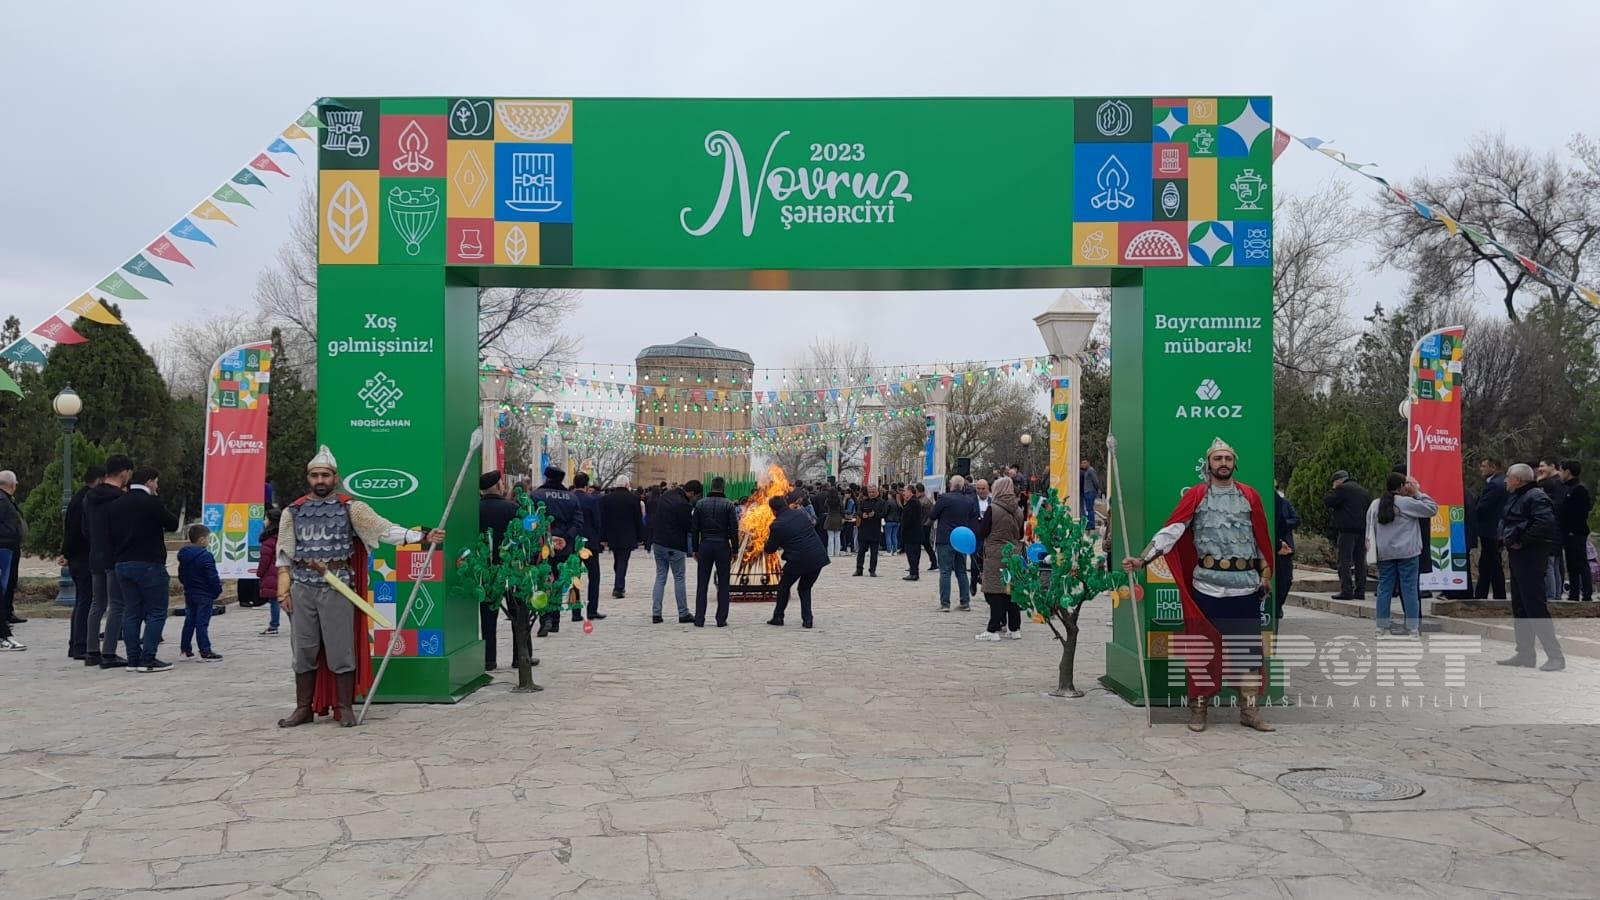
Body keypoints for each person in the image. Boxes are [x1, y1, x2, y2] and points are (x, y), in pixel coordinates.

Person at [276, 446, 444, 727]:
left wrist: (421, 536)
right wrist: (283, 591)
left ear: (335, 477)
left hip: (337, 586)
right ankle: (303, 708)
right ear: (308, 478)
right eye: (315, 475)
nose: (320, 480)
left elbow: (384, 529)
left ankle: (344, 707)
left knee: (340, 648)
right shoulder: (293, 511)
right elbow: (284, 554)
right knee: (303, 649)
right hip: (303, 587)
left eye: (325, 475)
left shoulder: (351, 507)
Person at [1123, 438, 1275, 733]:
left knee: (1247, 651)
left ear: (1234, 463)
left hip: (1245, 587)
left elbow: (1260, 538)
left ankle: (1249, 712)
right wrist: (1143, 559)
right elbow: (1172, 530)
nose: (1223, 463)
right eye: (1218, 458)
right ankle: (1199, 710)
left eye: (1228, 459)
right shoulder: (1196, 495)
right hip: (1207, 587)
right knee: (1202, 650)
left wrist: (1265, 576)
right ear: (1209, 464)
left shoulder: (1250, 496)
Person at [107, 467, 180, 673]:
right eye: (156, 482)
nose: (157, 486)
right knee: (156, 611)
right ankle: (148, 658)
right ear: (149, 482)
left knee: (131, 612)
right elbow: (173, 524)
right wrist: (157, 499)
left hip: (123, 563)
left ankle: (133, 659)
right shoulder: (152, 502)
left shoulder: (116, 504)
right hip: (149, 563)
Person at [1497, 463, 1565, 670]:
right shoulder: (1517, 496)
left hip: (1531, 557)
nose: (1505, 480)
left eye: (1508, 476)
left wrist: (1522, 541)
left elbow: (1545, 524)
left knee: (1535, 606)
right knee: (1520, 605)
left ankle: (1555, 656)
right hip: (1518, 556)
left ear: (1518, 480)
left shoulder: (1536, 497)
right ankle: (1525, 653)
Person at [1365, 473, 1438, 636]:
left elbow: (1369, 529)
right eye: (1406, 484)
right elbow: (1432, 508)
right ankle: (1413, 627)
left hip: (1384, 553)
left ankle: (1380, 626)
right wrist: (1417, 492)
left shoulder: (1375, 504)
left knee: (1384, 588)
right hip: (1408, 553)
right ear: (1400, 487)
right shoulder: (1406, 503)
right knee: (1409, 590)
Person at [84, 455, 132, 667]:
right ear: (124, 472)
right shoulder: (121, 499)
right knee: (117, 605)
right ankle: (109, 653)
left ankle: (91, 651)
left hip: (95, 554)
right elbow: (124, 529)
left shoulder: (89, 497)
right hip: (115, 556)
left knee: (97, 604)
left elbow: (85, 528)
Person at [528, 466, 584, 635]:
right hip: (563, 547)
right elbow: (578, 522)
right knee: (558, 581)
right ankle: (555, 620)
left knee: (543, 580)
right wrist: (566, 538)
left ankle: (545, 618)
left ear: (547, 478)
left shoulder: (536, 495)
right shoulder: (571, 497)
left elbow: (530, 520)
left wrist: (546, 537)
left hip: (542, 546)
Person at [765, 492, 829, 628]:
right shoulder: (800, 514)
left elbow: (770, 549)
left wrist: (767, 540)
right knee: (804, 588)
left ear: (773, 510)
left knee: (783, 586)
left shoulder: (777, 525)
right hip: (817, 557)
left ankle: (778, 617)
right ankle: (807, 620)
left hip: (798, 560)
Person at [976, 476, 1025, 641]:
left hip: (996, 554)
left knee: (995, 592)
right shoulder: (1018, 510)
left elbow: (983, 532)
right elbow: (1021, 533)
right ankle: (1015, 628)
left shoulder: (993, 509)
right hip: (1014, 554)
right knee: (1012, 592)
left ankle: (993, 629)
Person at [63, 465, 104, 660]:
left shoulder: (78, 498)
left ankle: (76, 644)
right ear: (100, 480)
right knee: (86, 601)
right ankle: (80, 645)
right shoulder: (88, 500)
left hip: (76, 557)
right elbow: (83, 531)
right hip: (84, 557)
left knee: (82, 600)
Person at [478, 471, 517, 671]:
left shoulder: (474, 510)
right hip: (512, 569)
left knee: (487, 615)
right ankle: (521, 657)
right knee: (518, 614)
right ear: (500, 486)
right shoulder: (513, 508)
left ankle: (489, 659)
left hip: (486, 570)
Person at [691, 476, 737, 627]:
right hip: (722, 545)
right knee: (723, 584)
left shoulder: (700, 504)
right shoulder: (729, 505)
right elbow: (734, 529)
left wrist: (695, 549)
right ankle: (721, 619)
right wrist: (735, 549)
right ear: (723, 487)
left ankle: (699, 618)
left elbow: (694, 529)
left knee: (702, 583)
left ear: (711, 487)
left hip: (705, 545)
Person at [928, 475, 979, 611]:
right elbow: (973, 517)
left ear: (951, 485)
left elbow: (932, 515)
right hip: (962, 539)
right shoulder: (969, 501)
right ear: (963, 486)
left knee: (945, 571)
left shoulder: (944, 498)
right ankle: (965, 601)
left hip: (946, 538)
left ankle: (945, 603)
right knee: (961, 571)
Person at [650, 479, 697, 624]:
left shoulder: (666, 495)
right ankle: (683, 613)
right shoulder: (684, 504)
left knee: (660, 577)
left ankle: (656, 613)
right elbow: (688, 526)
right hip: (675, 545)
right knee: (679, 578)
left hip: (658, 542)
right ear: (692, 493)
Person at [177, 524, 223, 661]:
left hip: (190, 592)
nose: (209, 541)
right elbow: (212, 576)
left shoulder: (184, 555)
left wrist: (187, 585)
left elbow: (181, 575)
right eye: (208, 538)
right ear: (202, 539)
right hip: (205, 594)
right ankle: (205, 650)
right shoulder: (206, 556)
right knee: (202, 623)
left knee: (189, 621)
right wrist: (217, 590)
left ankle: (185, 650)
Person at [1324, 470, 1371, 601]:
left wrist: (1334, 489)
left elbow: (1328, 501)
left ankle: (1346, 590)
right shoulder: (1363, 490)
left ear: (1338, 481)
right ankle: (1360, 591)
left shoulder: (1342, 489)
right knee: (1360, 561)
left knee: (1344, 561)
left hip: (1346, 531)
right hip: (1362, 530)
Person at [571, 472, 606, 622]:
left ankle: (575, 611)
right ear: (586, 485)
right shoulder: (592, 500)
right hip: (590, 543)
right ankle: (592, 610)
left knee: (574, 576)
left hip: (573, 542)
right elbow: (597, 522)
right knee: (594, 576)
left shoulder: (570, 498)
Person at [601, 479, 644, 598]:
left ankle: (619, 583)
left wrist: (603, 537)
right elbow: (638, 519)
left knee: (618, 560)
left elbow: (603, 519)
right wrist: (640, 536)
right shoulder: (633, 498)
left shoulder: (607, 499)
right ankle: (619, 587)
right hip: (628, 534)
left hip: (612, 535)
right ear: (626, 485)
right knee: (623, 561)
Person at [1473, 458, 1508, 600]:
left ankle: (1493, 595)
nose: (1481, 469)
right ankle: (1485, 593)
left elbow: (1483, 507)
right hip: (1496, 529)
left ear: (1493, 467)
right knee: (1489, 563)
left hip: (1490, 530)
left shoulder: (1494, 485)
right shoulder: (1502, 482)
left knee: (1491, 563)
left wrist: (1474, 515)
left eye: (1483, 466)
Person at [1559, 460, 1593, 602]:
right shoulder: (1566, 488)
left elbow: (1581, 512)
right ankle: (1573, 593)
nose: (1560, 474)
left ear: (1568, 472)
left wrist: (1572, 529)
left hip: (1576, 532)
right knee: (1571, 564)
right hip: (1567, 531)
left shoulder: (1579, 489)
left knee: (1580, 562)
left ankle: (1587, 593)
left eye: (1561, 470)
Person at [0, 471, 26, 650]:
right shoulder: (2, 501)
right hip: (4, 546)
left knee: (7, 584)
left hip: (8, 546)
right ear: (11, 484)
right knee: (3, 586)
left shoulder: (6, 499)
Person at [1537, 458, 1568, 601]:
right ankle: (1556, 594)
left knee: (1549, 565)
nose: (1540, 469)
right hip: (1557, 531)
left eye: (1542, 466)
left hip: (1552, 531)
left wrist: (1539, 482)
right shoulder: (1558, 483)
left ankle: (1551, 595)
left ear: (1552, 466)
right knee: (1554, 564)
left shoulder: (1553, 483)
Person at [1274, 484, 1300, 623]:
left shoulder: (1284, 503)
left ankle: (1278, 605)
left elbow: (1296, 520)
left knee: (1286, 580)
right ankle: (1274, 608)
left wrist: (1283, 523)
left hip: (1286, 549)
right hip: (1272, 547)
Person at [853, 483, 889, 577]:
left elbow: (884, 513)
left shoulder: (881, 502)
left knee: (874, 552)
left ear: (877, 492)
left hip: (875, 530)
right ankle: (859, 569)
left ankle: (872, 570)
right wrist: (862, 515)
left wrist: (875, 514)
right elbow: (858, 511)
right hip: (864, 529)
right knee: (861, 551)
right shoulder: (864, 501)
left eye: (873, 492)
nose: (871, 494)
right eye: (870, 492)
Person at [257, 508, 282, 635]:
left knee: (274, 600)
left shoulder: (269, 539)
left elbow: (264, 560)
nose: (264, 521)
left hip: (272, 574)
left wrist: (259, 573)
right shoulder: (284, 536)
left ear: (271, 521)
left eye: (266, 519)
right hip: (283, 572)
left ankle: (273, 626)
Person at [899, 485, 925, 581]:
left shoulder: (913, 503)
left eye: (905, 491)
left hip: (912, 534)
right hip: (912, 534)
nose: (903, 493)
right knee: (912, 554)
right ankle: (913, 572)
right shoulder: (912, 502)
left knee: (912, 554)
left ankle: (914, 573)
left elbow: (910, 518)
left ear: (910, 491)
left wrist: (904, 525)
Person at [1079, 458, 1101, 530]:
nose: (1083, 464)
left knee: (1090, 509)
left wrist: (1097, 489)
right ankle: (1089, 524)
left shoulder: (1091, 470)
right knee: (1088, 509)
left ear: (1088, 463)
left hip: (1090, 492)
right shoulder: (1086, 471)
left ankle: (1091, 524)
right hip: (1087, 492)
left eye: (1085, 463)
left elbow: (1095, 481)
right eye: (1082, 463)